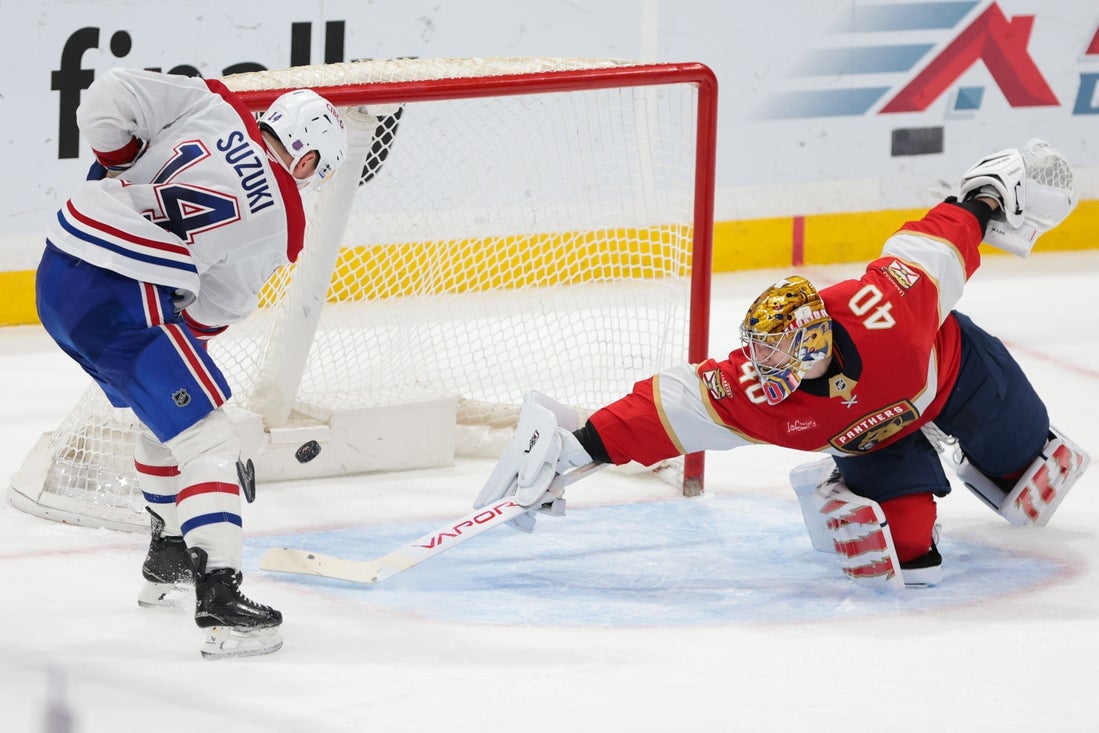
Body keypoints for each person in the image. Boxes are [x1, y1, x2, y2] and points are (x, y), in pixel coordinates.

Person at [474, 138, 1090, 590]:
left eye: (774, 350)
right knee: (912, 556)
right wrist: (580, 447)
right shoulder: (755, 389)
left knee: (1032, 471)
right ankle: (831, 488)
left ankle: (989, 443)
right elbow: (670, 406)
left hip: (955, 374)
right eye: (757, 347)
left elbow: (941, 241)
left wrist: (986, 194)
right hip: (874, 441)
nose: (757, 363)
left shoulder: (894, 313)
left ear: (814, 342)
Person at [35, 68, 348, 657]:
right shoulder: (283, 226)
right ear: (305, 164)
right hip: (121, 295)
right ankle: (221, 598)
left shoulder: (215, 105)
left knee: (170, 419)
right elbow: (212, 310)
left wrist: (124, 162)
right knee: (210, 441)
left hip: (59, 270)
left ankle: (168, 558)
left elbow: (104, 99)